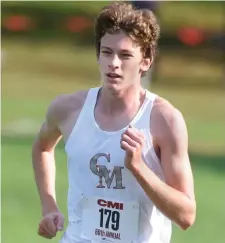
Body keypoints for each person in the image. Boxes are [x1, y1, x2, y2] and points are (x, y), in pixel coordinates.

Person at [32, 2, 196, 243]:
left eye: (126, 55)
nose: (114, 63)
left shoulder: (164, 120)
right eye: (107, 52)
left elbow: (186, 216)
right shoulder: (68, 109)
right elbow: (42, 148)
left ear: (146, 61)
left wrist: (139, 167)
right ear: (98, 54)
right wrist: (49, 206)